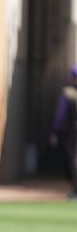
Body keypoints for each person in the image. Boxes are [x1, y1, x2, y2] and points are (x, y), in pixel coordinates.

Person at [49, 64, 77, 197]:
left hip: (73, 132)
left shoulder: (68, 93)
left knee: (74, 161)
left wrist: (55, 132)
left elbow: (60, 115)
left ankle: (76, 189)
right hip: (72, 131)